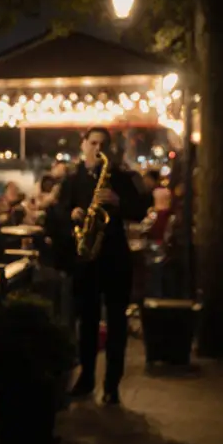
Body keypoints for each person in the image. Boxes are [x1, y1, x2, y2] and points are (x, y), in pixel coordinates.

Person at [56, 126, 147, 405]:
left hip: (115, 257)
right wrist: (71, 213)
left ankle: (112, 385)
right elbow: (58, 212)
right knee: (87, 322)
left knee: (117, 322)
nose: (97, 148)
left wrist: (119, 201)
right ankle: (86, 378)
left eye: (102, 144)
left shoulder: (121, 177)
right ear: (83, 145)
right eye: (92, 142)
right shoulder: (72, 180)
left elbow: (140, 210)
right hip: (86, 258)